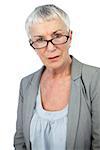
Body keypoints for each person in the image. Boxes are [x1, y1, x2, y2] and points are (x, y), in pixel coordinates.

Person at [13, 4, 100, 150]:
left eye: (57, 36)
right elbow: (20, 140)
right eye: (40, 39)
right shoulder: (26, 84)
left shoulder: (95, 79)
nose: (51, 47)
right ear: (32, 45)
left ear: (70, 37)